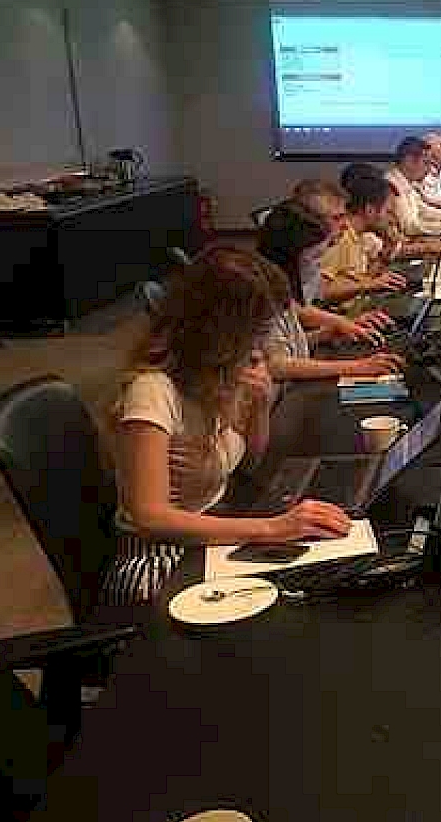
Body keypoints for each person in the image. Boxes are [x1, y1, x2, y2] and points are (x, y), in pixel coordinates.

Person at [102, 246, 352, 605]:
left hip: (210, 529)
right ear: (221, 332)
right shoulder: (152, 391)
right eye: (256, 331)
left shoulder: (213, 376)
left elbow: (247, 464)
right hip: (160, 558)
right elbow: (150, 517)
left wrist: (260, 406)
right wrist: (272, 528)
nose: (260, 346)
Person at [257, 201, 404, 381]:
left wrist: (325, 334)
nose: (319, 266)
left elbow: (285, 347)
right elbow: (276, 365)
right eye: (315, 258)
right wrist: (359, 367)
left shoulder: (280, 290)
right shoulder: (262, 296)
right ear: (288, 258)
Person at [319, 175, 411, 301]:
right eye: (388, 212)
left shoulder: (360, 236)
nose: (393, 219)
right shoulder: (340, 238)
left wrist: (386, 254)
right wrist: (367, 285)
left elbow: (361, 278)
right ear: (370, 210)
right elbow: (320, 291)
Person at [386, 136, 441, 237]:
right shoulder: (392, 185)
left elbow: (423, 210)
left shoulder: (406, 182)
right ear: (409, 161)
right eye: (426, 163)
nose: (429, 169)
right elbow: (411, 226)